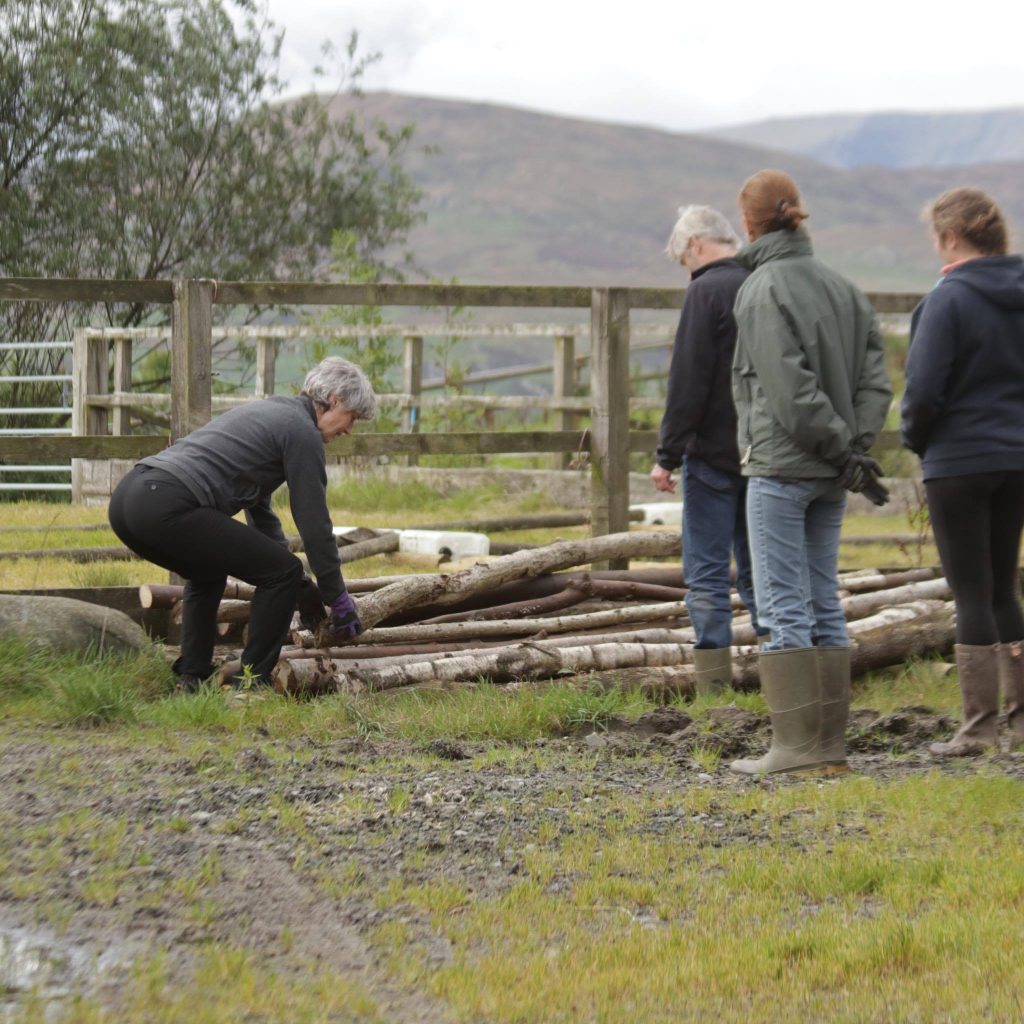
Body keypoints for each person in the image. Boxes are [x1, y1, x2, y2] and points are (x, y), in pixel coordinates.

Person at [727, 169, 893, 776]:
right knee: (823, 595)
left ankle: (795, 748)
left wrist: (836, 445)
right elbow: (876, 381)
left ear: (749, 221)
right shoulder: (846, 288)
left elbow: (788, 389)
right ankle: (828, 747)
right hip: (832, 473)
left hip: (781, 465)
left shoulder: (762, 288)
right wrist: (851, 447)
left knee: (780, 601)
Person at [109, 356, 375, 690]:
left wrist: (302, 582)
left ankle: (192, 677)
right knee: (281, 573)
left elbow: (258, 510)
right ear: (334, 400)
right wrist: (337, 597)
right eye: (351, 418)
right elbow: (315, 524)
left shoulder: (272, 413)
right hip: (164, 501)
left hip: (127, 501)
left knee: (209, 571)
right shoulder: (302, 432)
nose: (349, 429)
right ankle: (249, 685)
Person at [901, 187, 1024, 756]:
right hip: (1017, 458)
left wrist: (917, 440)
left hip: (959, 461)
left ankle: (977, 729)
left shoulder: (947, 300)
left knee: (969, 591)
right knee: (1005, 587)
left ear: (952, 237)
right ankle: (1021, 722)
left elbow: (923, 390)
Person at [650, 204, 764, 694]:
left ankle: (713, 690)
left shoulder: (705, 291)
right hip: (764, 453)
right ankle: (780, 677)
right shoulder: (762, 283)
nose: (686, 270)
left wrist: (667, 453)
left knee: (708, 573)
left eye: (683, 260)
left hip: (712, 454)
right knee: (764, 569)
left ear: (696, 244)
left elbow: (688, 379)